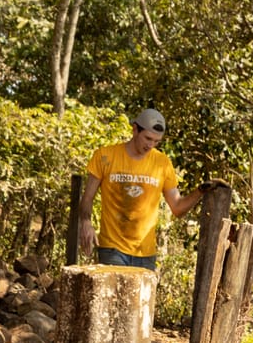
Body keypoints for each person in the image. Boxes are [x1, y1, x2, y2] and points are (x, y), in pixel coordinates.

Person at [78, 108, 210, 270]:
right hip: (112, 249)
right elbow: (87, 198)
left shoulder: (162, 163)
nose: (150, 145)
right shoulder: (105, 156)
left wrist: (200, 191)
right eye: (148, 138)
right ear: (135, 129)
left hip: (146, 254)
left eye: (156, 141)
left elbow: (177, 207)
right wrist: (86, 222)